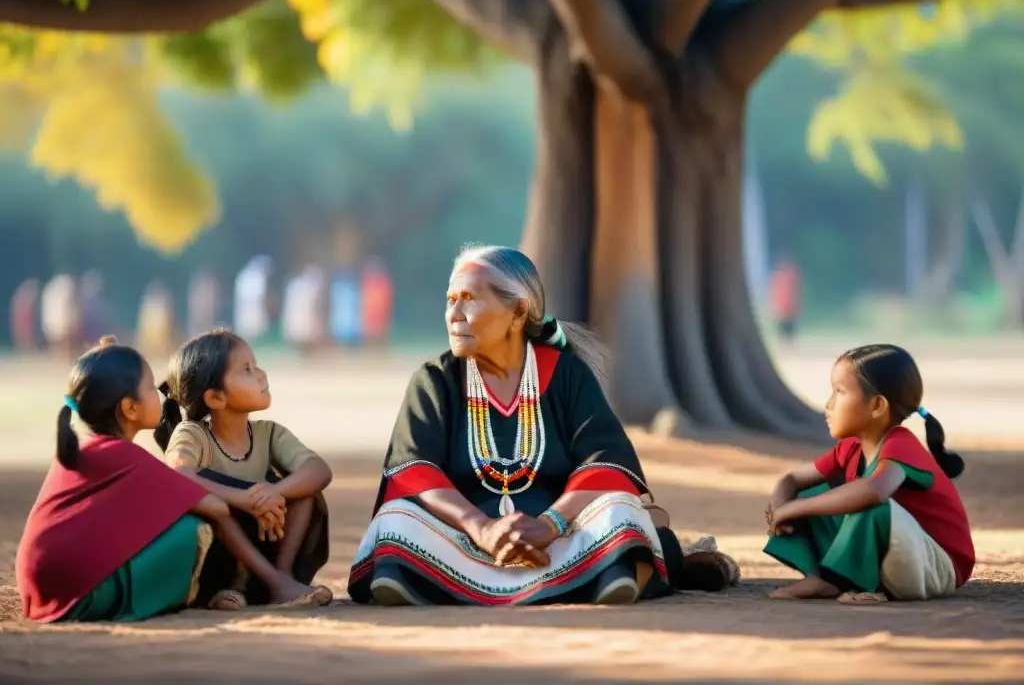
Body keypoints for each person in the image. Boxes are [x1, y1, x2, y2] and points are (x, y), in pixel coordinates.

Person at [349, 245, 737, 607]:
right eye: (450, 301)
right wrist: (481, 527)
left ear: (518, 312)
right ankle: (600, 577)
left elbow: (605, 462)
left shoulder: (566, 374)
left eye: (469, 299)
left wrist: (549, 525)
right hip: (464, 541)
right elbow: (415, 471)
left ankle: (433, 584)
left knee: (619, 511)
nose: (455, 314)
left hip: (560, 539)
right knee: (396, 521)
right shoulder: (435, 380)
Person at [16, 337, 317, 623]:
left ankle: (268, 581)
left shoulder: (81, 451)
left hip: (38, 590)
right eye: (149, 387)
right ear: (130, 408)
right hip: (77, 597)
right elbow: (217, 508)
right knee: (193, 530)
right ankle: (266, 583)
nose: (158, 394)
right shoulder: (130, 458)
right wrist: (252, 501)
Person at [764, 344, 974, 603]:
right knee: (812, 493)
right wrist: (781, 505)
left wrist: (795, 509)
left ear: (876, 405)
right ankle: (821, 575)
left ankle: (832, 581)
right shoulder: (850, 447)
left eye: (839, 392)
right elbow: (792, 479)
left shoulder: (901, 444)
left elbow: (875, 491)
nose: (828, 404)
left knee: (869, 503)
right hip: (899, 559)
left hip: (936, 567)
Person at [156, 329, 334, 609]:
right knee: (212, 503)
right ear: (215, 398)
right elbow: (177, 474)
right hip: (217, 561)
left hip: (267, 541)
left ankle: (280, 578)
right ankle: (235, 587)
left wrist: (274, 492)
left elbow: (319, 469)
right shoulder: (192, 434)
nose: (261, 374)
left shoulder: (268, 433)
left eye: (255, 365)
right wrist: (244, 500)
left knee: (306, 491)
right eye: (246, 370)